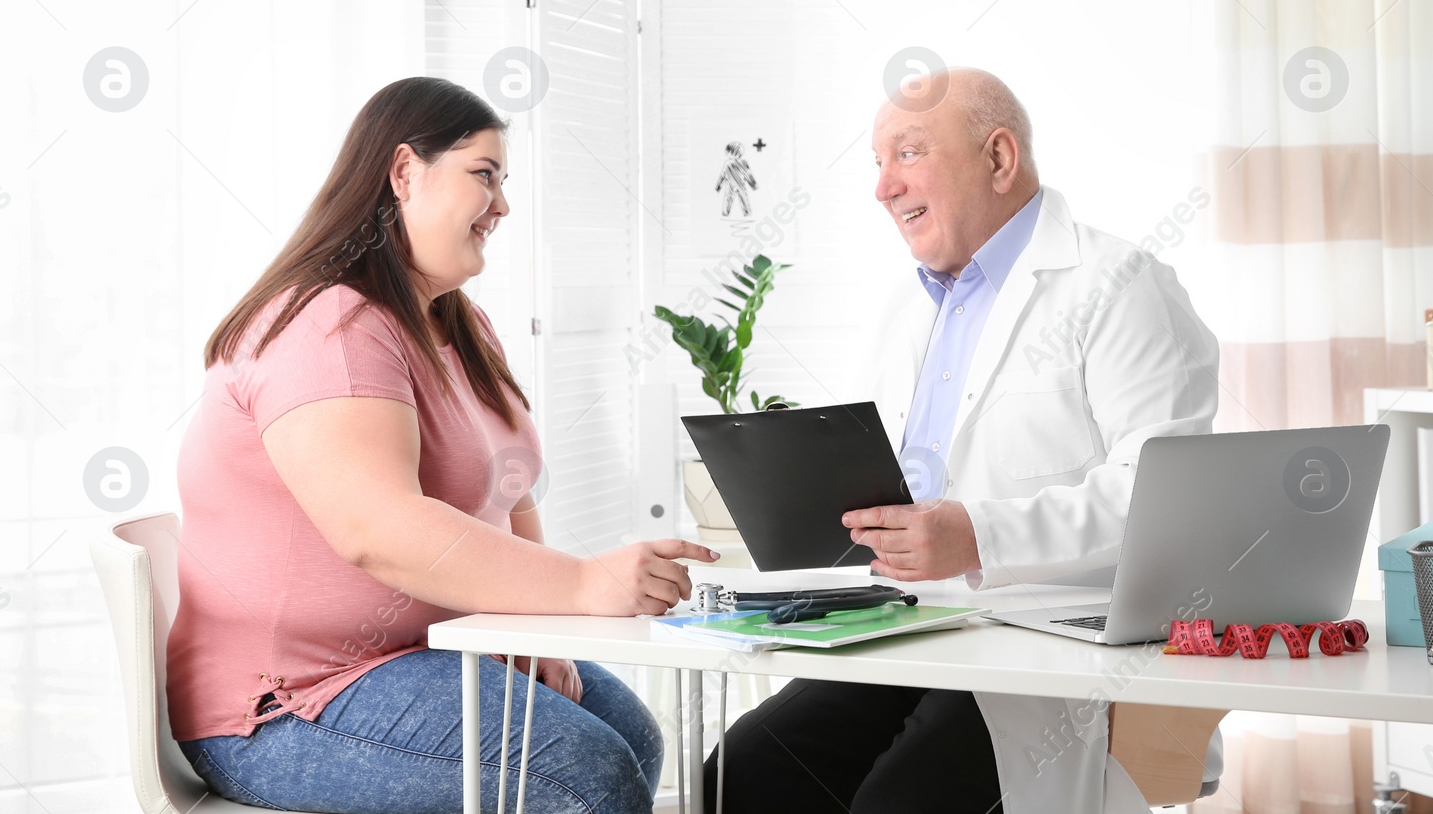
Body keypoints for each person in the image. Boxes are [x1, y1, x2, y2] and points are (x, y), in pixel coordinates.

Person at [167, 76, 716, 814]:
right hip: (295, 696)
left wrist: (538, 624)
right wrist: (583, 587)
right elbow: (377, 530)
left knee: (636, 739)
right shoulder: (328, 326)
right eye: (483, 175)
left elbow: (511, 492)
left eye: (504, 180)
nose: (502, 205)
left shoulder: (457, 323)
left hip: (432, 650)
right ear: (403, 172)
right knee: (585, 774)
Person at [705, 68, 1219, 812]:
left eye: (906, 154)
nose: (883, 186)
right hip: (908, 628)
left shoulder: (1120, 284)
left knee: (897, 801)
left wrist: (979, 535)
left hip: (1042, 648)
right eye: (877, 164)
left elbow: (1166, 493)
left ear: (999, 158)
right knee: (745, 772)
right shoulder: (906, 311)